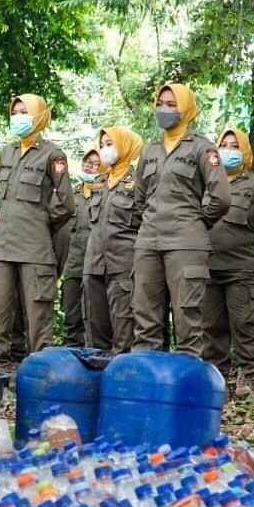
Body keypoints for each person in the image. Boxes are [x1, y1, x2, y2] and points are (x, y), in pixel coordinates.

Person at [131, 83, 232, 358]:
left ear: (186, 108)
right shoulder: (149, 150)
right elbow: (140, 199)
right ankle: (148, 383)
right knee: (145, 317)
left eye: (171, 104)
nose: (164, 109)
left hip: (186, 243)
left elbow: (221, 197)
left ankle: (186, 389)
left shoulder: (202, 148)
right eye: (160, 103)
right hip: (148, 242)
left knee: (188, 318)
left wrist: (195, 223)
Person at [0, 94, 75, 371]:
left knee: (38, 317)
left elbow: (67, 203)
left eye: (24, 111)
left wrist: (40, 221)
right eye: (14, 112)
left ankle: (39, 374)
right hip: (4, 248)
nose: (18, 117)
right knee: (0, 312)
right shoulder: (7, 152)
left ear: (38, 116)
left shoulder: (53, 155)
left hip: (35, 250)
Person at [202, 128, 254, 399]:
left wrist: (251, 248)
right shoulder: (207, 182)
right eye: (223, 144)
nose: (228, 149)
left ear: (245, 151)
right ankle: (216, 387)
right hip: (209, 268)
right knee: (211, 330)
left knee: (246, 327)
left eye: (234, 145)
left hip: (242, 270)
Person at [84, 127, 143, 354]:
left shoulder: (138, 181)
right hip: (94, 266)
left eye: (111, 144)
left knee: (124, 332)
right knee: (94, 331)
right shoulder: (98, 182)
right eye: (102, 144)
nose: (105, 149)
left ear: (125, 146)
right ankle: (97, 381)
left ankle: (122, 383)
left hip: (124, 267)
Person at [60, 149, 98, 347]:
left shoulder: (104, 192)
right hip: (73, 264)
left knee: (95, 316)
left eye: (94, 163)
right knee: (71, 315)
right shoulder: (71, 194)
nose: (88, 166)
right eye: (86, 162)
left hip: (97, 266)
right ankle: (70, 356)